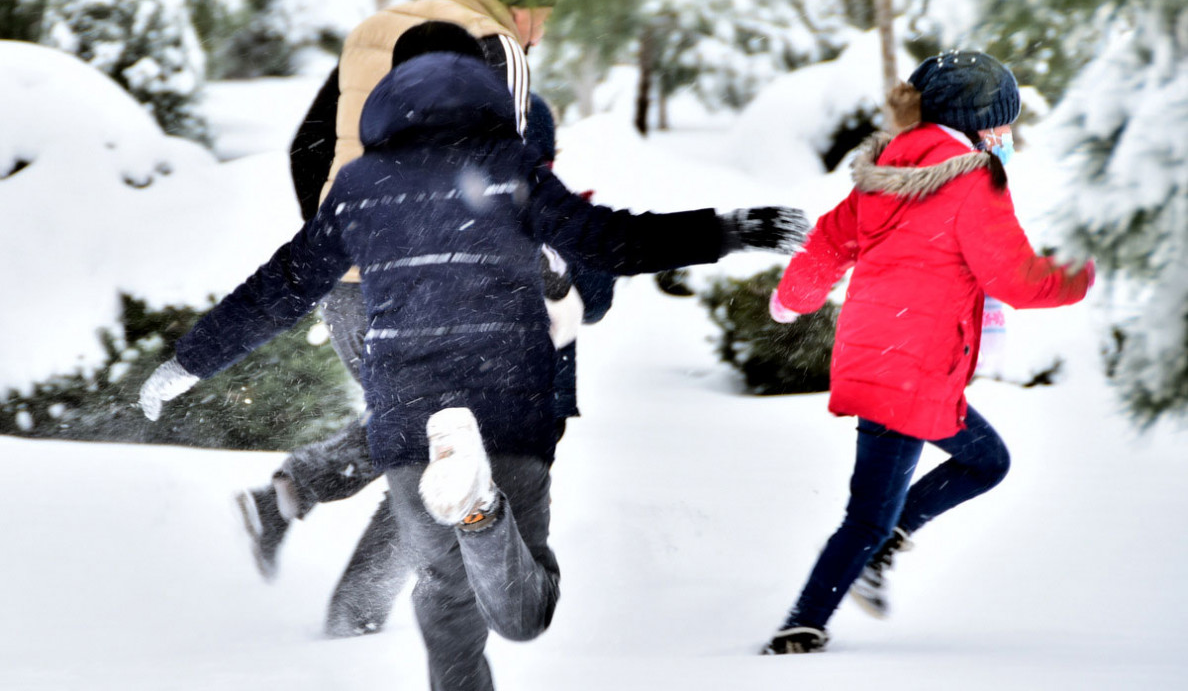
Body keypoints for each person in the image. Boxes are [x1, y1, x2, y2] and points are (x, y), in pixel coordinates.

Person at [139, 41, 810, 691]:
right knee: (521, 615)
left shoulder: (359, 187)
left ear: (391, 93)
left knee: (444, 602)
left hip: (409, 419)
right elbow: (614, 242)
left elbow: (280, 288)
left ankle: (469, 502)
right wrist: (729, 228)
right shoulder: (511, 166)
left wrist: (187, 362)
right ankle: (481, 509)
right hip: (506, 404)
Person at [234, 0, 553, 634]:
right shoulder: (496, 45)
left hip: (351, 282)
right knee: (453, 448)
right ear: (516, 1)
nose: (542, 30)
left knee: (422, 433)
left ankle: (293, 494)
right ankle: (353, 618)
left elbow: (307, 147)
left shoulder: (379, 31)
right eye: (543, 13)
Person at [762, 50, 1095, 655]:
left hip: (882, 357)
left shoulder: (885, 169)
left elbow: (829, 243)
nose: (1006, 137)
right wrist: (1084, 270)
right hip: (912, 370)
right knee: (869, 515)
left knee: (984, 462)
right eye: (1002, 124)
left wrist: (791, 301)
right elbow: (1016, 279)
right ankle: (799, 630)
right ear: (975, 123)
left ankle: (878, 548)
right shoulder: (972, 181)